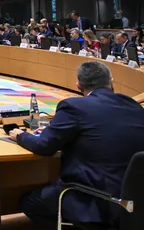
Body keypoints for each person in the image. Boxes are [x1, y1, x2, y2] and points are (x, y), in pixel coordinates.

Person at [10, 62, 144, 229]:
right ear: (111, 82)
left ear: (78, 85)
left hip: (94, 200)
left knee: (29, 201)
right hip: (135, 200)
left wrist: (20, 135)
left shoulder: (73, 106)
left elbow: (44, 146)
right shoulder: (134, 106)